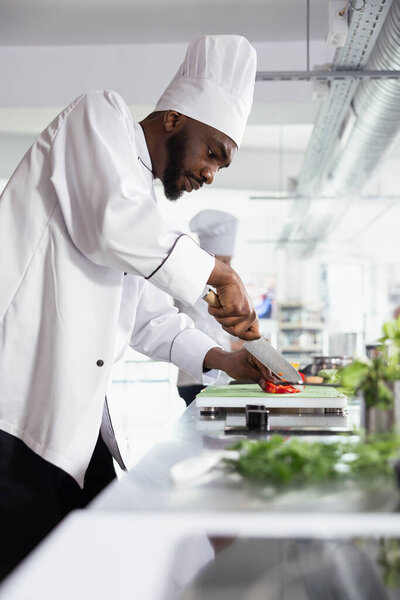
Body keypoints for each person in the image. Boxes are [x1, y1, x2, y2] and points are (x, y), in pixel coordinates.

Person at [0, 34, 271, 580]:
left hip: (71, 426)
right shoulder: (98, 117)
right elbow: (110, 224)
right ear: (173, 119)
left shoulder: (143, 206)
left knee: (88, 569)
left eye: (222, 164)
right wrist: (221, 273)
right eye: (211, 152)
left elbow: (151, 319)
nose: (211, 172)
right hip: (13, 414)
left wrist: (227, 360)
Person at [176, 209, 242, 405]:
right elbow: (198, 329)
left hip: (218, 376)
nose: (227, 268)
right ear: (208, 258)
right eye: (223, 261)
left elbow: (222, 323)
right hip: (196, 378)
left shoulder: (218, 286)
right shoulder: (192, 283)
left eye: (229, 261)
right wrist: (235, 346)